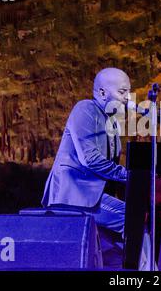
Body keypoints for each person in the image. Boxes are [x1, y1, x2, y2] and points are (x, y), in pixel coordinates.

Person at [41, 67, 131, 246]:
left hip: (91, 196)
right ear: (103, 92)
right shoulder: (85, 108)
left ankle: (131, 267)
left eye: (129, 92)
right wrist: (129, 175)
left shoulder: (112, 122)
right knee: (133, 217)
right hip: (75, 196)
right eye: (122, 92)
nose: (128, 98)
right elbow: (90, 159)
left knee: (138, 220)